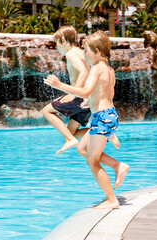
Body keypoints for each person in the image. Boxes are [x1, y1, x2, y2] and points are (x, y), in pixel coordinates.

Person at [44, 31, 129, 209]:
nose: (84, 54)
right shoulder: (109, 69)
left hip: (102, 118)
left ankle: (111, 200)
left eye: (87, 51)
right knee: (82, 149)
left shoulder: (97, 68)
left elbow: (86, 91)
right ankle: (118, 166)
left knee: (93, 161)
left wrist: (60, 86)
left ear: (97, 51)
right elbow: (107, 95)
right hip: (107, 115)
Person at [42, 26, 119, 155]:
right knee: (71, 130)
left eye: (57, 43)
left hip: (80, 95)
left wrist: (73, 93)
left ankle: (69, 140)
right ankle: (106, 134)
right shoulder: (81, 52)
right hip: (87, 99)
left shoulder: (71, 53)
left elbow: (83, 71)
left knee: (47, 111)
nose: (56, 47)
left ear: (64, 40)